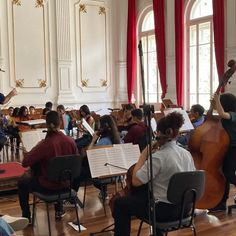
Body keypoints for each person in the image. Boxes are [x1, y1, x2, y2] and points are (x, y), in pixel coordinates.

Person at [112, 112, 196, 236]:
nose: (156, 135)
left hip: (163, 213)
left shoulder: (158, 157)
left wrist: (144, 154)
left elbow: (135, 181)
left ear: (166, 133)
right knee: (151, 193)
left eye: (157, 133)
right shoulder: (186, 154)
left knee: (120, 204)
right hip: (185, 209)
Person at [18, 111, 78, 221]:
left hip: (48, 187)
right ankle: (59, 211)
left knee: (22, 182)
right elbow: (74, 164)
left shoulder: (46, 144)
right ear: (60, 123)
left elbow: (25, 162)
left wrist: (35, 147)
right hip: (66, 185)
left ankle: (26, 216)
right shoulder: (71, 141)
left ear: (48, 125)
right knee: (59, 170)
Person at [209, 93, 236, 212]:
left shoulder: (233, 115)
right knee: (224, 175)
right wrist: (212, 105)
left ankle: (221, 202)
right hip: (225, 148)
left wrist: (217, 99)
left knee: (228, 174)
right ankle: (221, 203)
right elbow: (210, 117)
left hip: (234, 149)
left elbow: (222, 114)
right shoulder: (224, 117)